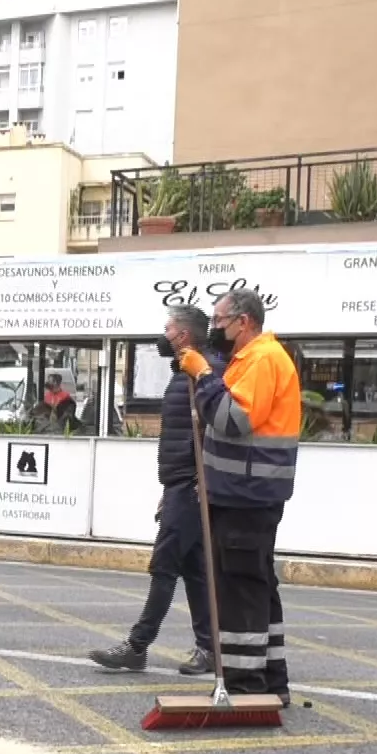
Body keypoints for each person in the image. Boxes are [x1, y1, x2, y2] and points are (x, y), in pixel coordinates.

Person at [175, 288, 301, 702]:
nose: (214, 329)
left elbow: (233, 420)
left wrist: (203, 376)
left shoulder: (263, 359)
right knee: (257, 585)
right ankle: (271, 681)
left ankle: (246, 685)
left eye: (218, 322)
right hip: (242, 492)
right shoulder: (249, 360)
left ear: (243, 322)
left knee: (240, 589)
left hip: (247, 496)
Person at [91, 306, 217, 676]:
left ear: (183, 336)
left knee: (164, 564)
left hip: (192, 490)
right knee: (193, 570)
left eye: (167, 329)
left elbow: (214, 430)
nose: (162, 336)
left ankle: (137, 645)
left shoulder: (202, 372)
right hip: (180, 486)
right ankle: (209, 649)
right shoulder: (183, 374)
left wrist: (199, 480)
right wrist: (170, 487)